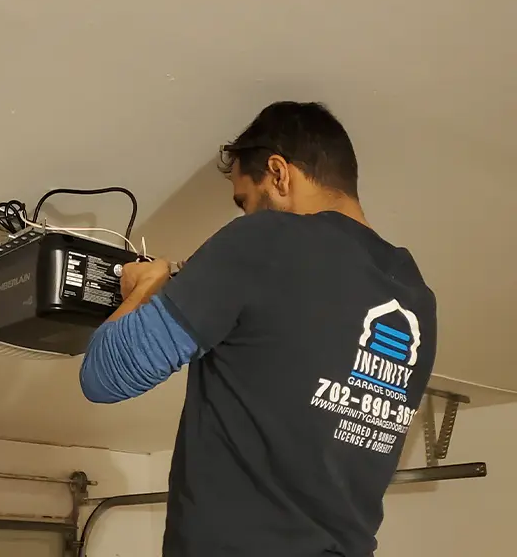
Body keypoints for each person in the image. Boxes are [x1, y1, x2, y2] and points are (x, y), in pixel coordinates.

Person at [79, 101, 437, 556]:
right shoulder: (416, 295)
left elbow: (105, 375)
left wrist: (143, 289)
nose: (247, 216)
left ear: (279, 173)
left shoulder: (267, 237)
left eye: (245, 202)